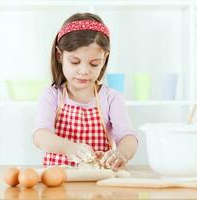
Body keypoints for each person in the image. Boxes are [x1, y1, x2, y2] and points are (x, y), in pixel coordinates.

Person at [33, 12, 138, 171]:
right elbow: (40, 135)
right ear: (59, 55)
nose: (84, 71)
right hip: (59, 181)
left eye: (94, 64)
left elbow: (128, 137)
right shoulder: (52, 95)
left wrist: (121, 153)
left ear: (104, 58)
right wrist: (68, 148)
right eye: (75, 62)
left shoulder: (111, 98)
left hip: (99, 185)